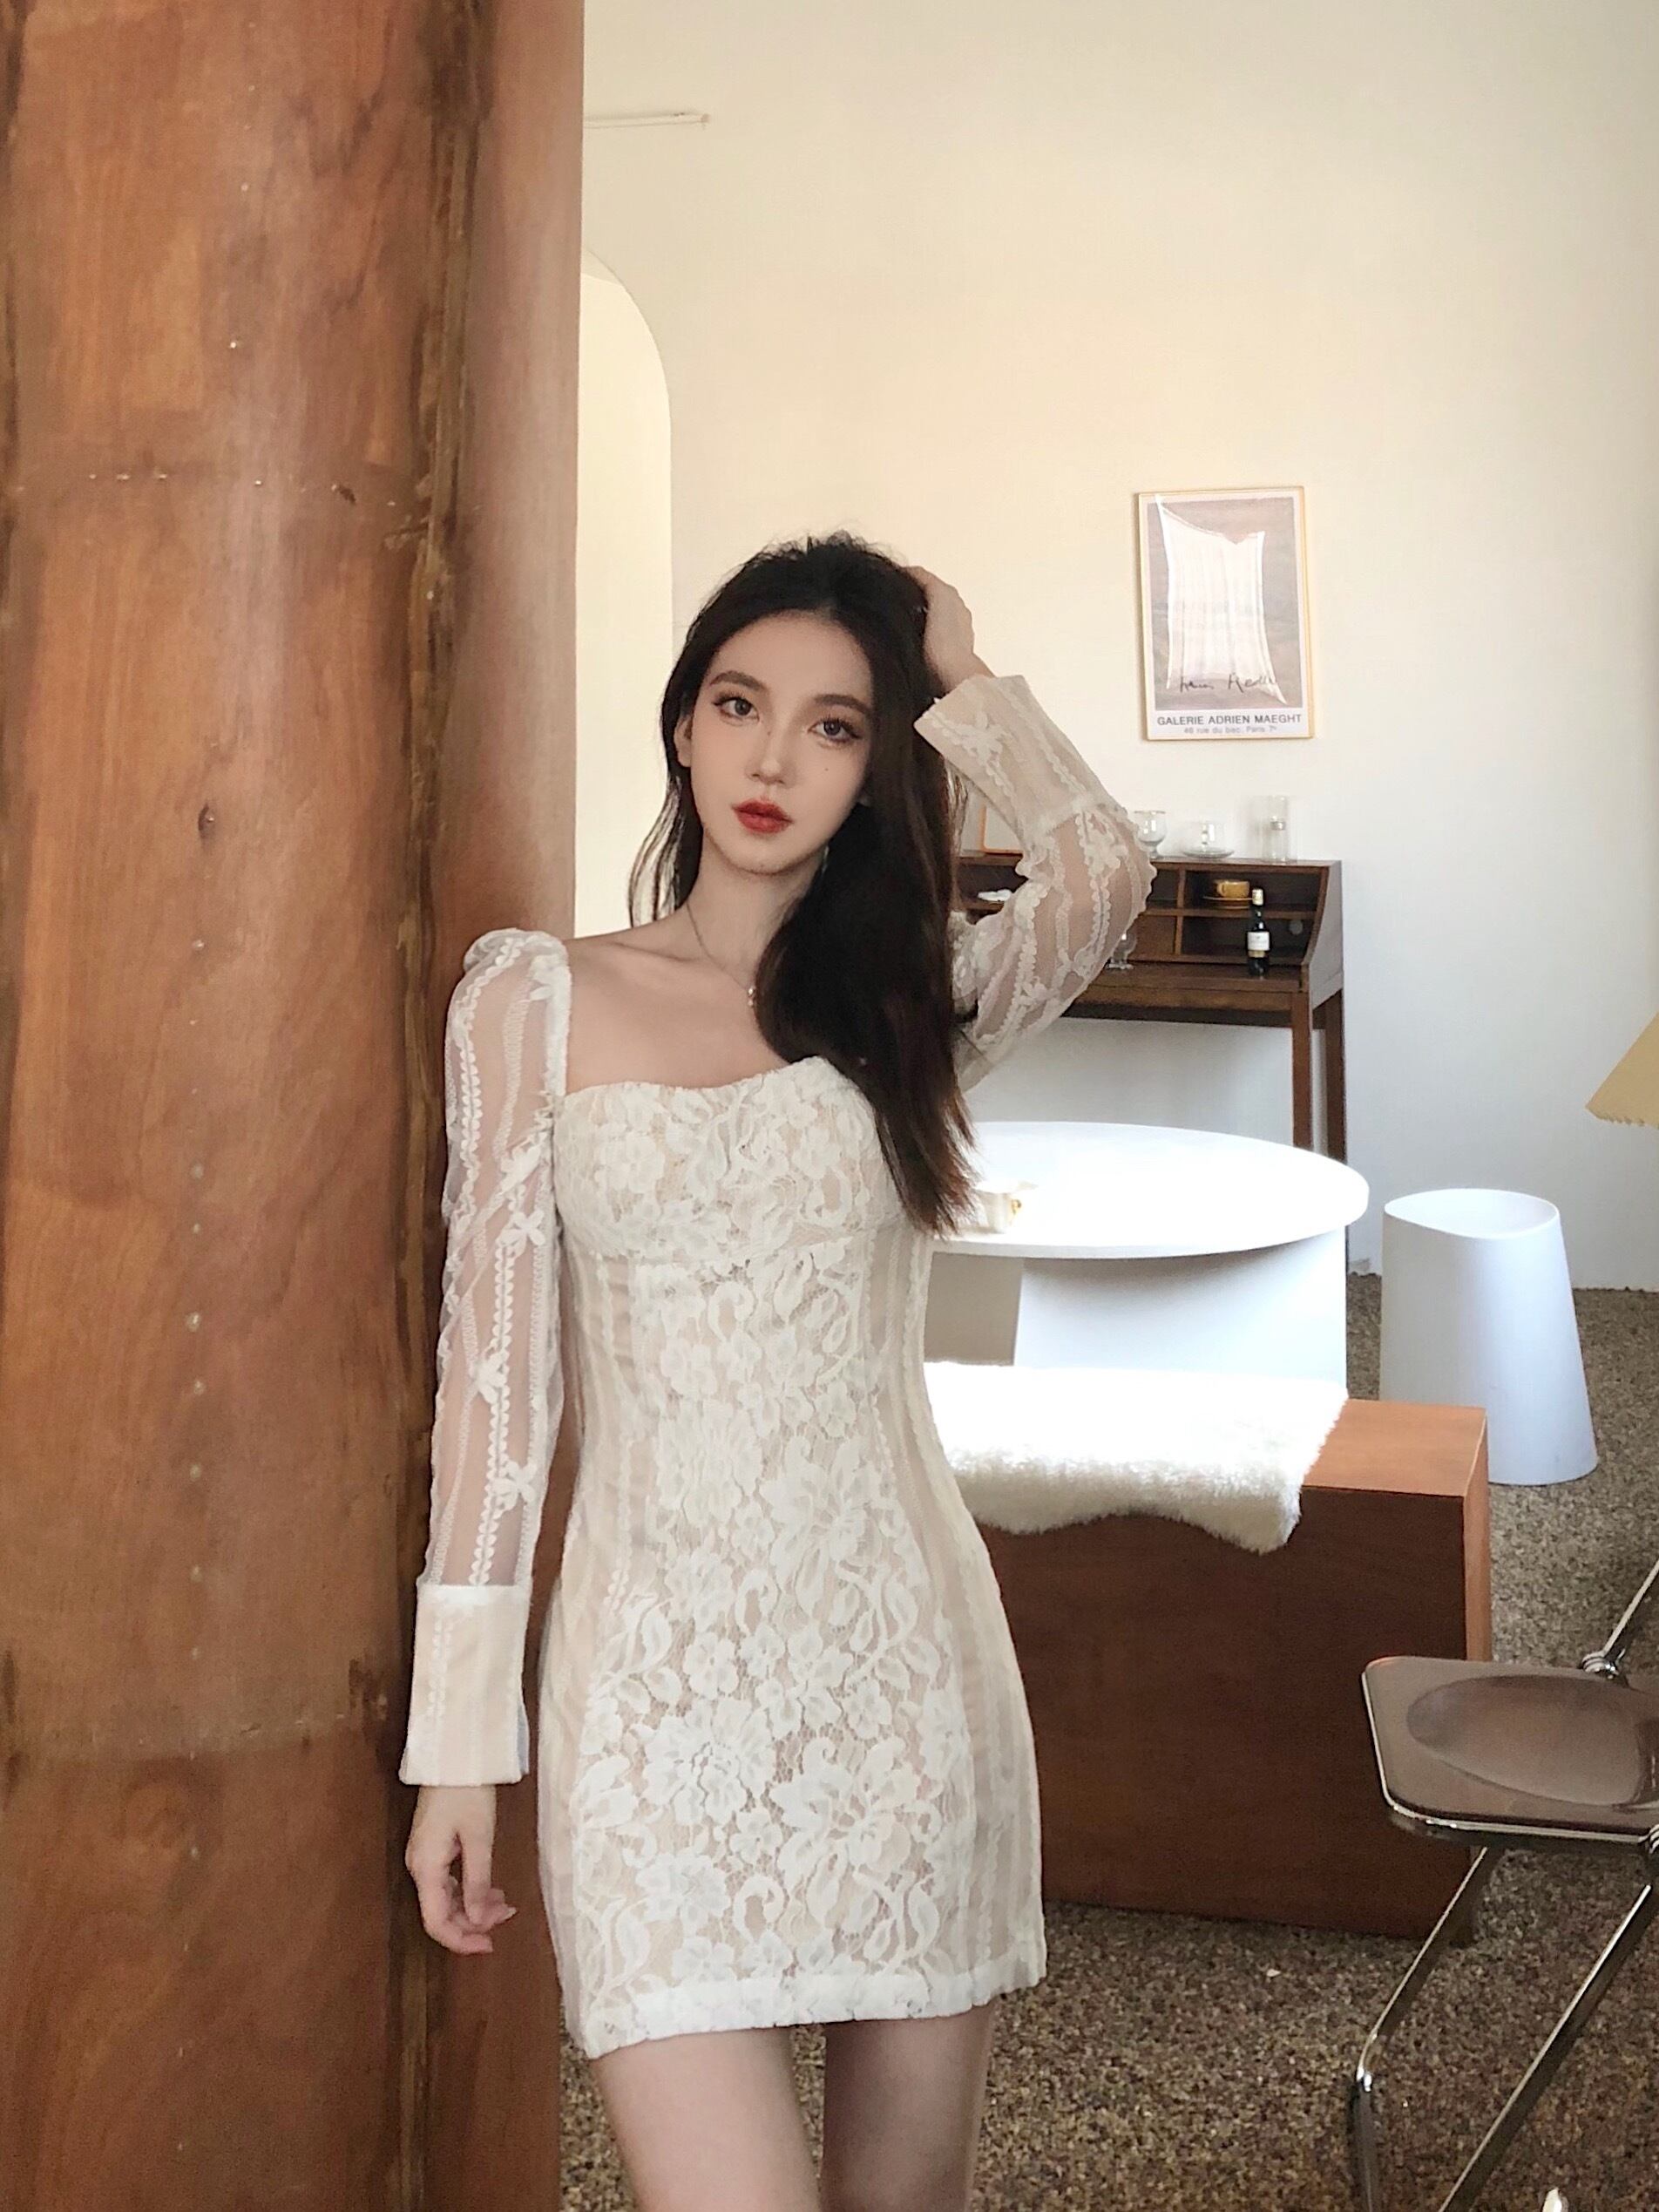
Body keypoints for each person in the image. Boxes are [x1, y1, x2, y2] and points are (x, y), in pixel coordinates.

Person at [400, 533, 1155, 2212]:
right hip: (651, 1713)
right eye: (740, 704)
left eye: (833, 725)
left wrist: (958, 665)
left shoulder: (914, 1004)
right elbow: (496, 1399)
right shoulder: (533, 998)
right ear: (684, 724)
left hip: (903, 1681)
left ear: (877, 768)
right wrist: (462, 1743)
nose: (771, 758)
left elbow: (1105, 870)